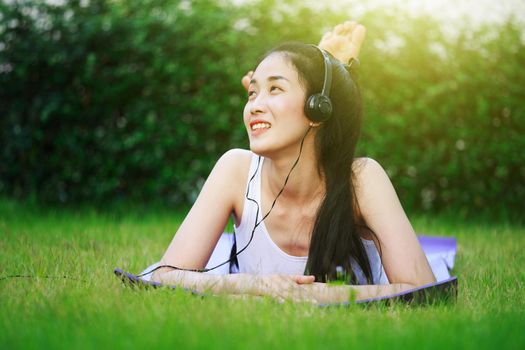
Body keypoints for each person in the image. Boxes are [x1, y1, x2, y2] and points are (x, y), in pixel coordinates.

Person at [149, 21, 436, 304]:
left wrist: (320, 294)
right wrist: (256, 286)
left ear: (317, 110)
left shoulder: (362, 179)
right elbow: (164, 276)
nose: (254, 106)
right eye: (252, 93)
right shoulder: (235, 169)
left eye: (275, 89)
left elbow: (424, 290)